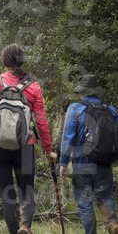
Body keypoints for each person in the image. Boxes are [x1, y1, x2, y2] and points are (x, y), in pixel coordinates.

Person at [0, 43, 56, 234]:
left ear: (3, 61)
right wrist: (48, 149)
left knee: (7, 192)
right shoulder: (33, 87)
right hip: (25, 146)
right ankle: (26, 226)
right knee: (26, 189)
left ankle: (14, 231)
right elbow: (41, 122)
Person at [59, 74, 118, 234]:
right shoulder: (111, 109)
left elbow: (67, 137)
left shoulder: (75, 108)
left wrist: (63, 163)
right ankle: (113, 224)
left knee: (85, 202)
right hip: (104, 163)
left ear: (82, 92)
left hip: (82, 164)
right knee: (104, 197)